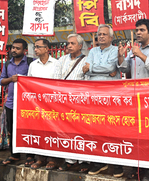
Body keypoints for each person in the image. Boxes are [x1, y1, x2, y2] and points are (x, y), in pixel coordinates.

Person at [118, 19, 149, 181]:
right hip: (135, 98)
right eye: (136, 30)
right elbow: (125, 69)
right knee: (135, 134)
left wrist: (141, 55)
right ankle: (137, 168)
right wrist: (121, 57)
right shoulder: (134, 49)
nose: (138, 33)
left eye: (141, 30)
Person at [82, 24, 121, 176]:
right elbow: (86, 70)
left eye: (105, 34)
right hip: (94, 94)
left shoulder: (116, 50)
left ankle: (117, 163)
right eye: (99, 34)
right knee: (96, 128)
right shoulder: (92, 51)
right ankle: (99, 162)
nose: (101, 36)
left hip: (111, 96)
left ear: (111, 37)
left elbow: (110, 67)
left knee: (113, 128)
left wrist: (92, 68)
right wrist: (101, 69)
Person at [53, 34, 89, 172]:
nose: (69, 46)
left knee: (82, 131)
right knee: (66, 131)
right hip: (63, 102)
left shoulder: (86, 60)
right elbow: (56, 80)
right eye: (68, 43)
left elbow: (87, 82)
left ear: (80, 46)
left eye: (72, 43)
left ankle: (84, 160)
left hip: (79, 103)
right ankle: (69, 160)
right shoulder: (61, 60)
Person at [0, 39, 33, 165]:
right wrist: (10, 79)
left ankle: (30, 155)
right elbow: (1, 80)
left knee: (28, 129)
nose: (14, 50)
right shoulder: (8, 64)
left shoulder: (31, 62)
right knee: (12, 129)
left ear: (24, 50)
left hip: (27, 103)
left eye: (17, 48)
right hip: (11, 102)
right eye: (13, 48)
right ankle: (14, 154)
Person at [28, 39, 58, 170]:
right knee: (38, 131)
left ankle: (52, 159)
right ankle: (39, 158)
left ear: (47, 49)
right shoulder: (33, 65)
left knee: (52, 131)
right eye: (35, 47)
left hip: (53, 105)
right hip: (37, 105)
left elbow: (60, 84)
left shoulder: (57, 64)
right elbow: (28, 83)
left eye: (38, 47)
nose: (35, 49)